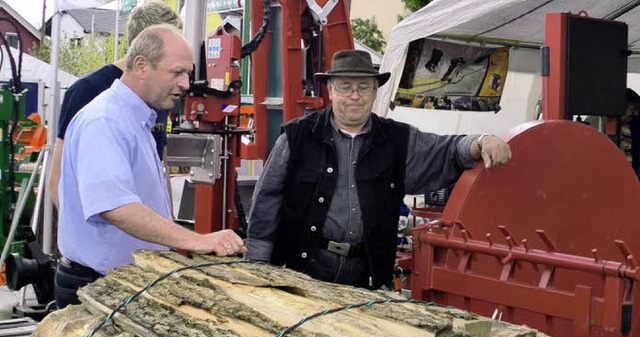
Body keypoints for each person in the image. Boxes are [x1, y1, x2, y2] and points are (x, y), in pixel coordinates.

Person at [245, 50, 511, 289]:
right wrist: (257, 268)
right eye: (345, 87)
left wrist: (480, 142)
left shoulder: (398, 139)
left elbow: (446, 150)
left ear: (375, 91)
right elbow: (266, 204)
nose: (354, 96)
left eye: (363, 87)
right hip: (303, 272)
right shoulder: (296, 137)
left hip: (366, 275)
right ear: (331, 91)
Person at [55, 25, 245, 308]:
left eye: (188, 74)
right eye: (177, 72)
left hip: (124, 280)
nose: (185, 84)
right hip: (97, 285)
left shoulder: (137, 119)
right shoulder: (105, 121)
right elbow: (116, 207)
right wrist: (197, 241)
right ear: (141, 66)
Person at [48, 0, 182, 208]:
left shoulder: (159, 93)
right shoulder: (87, 91)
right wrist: (83, 236)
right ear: (145, 47)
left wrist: (170, 226)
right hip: (107, 232)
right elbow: (58, 179)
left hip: (148, 234)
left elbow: (159, 168)